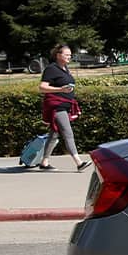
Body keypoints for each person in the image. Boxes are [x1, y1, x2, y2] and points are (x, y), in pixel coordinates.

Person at [38, 43, 89, 172]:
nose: (69, 57)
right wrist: (60, 89)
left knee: (53, 135)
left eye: (70, 55)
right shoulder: (51, 69)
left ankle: (44, 162)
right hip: (57, 106)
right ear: (58, 55)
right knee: (68, 133)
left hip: (65, 106)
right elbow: (42, 87)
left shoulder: (65, 68)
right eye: (66, 55)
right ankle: (79, 162)